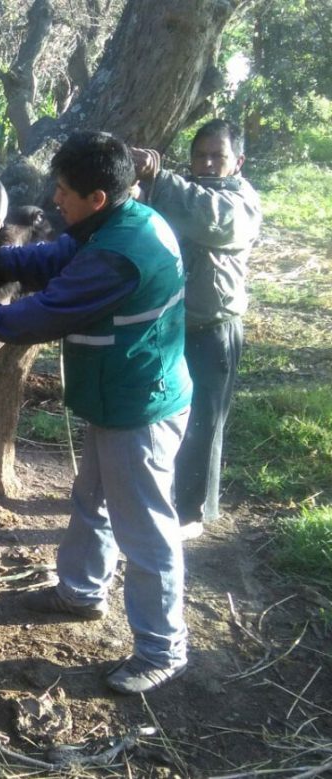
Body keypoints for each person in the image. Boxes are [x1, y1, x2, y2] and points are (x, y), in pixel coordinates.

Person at [0, 130, 192, 694]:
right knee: (93, 500)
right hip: (118, 395)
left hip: (139, 407)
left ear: (97, 198)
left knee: (146, 530)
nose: (56, 200)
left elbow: (45, 316)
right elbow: (60, 255)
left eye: (64, 192)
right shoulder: (120, 223)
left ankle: (161, 648)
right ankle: (80, 591)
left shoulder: (120, 255)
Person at [131, 120, 263, 541]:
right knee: (160, 412)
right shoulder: (182, 190)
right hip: (171, 327)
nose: (207, 162)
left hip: (215, 328)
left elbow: (210, 219)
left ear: (237, 162)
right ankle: (154, 492)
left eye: (217, 156)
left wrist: (159, 178)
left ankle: (190, 511)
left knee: (204, 422)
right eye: (200, 154)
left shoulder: (239, 202)